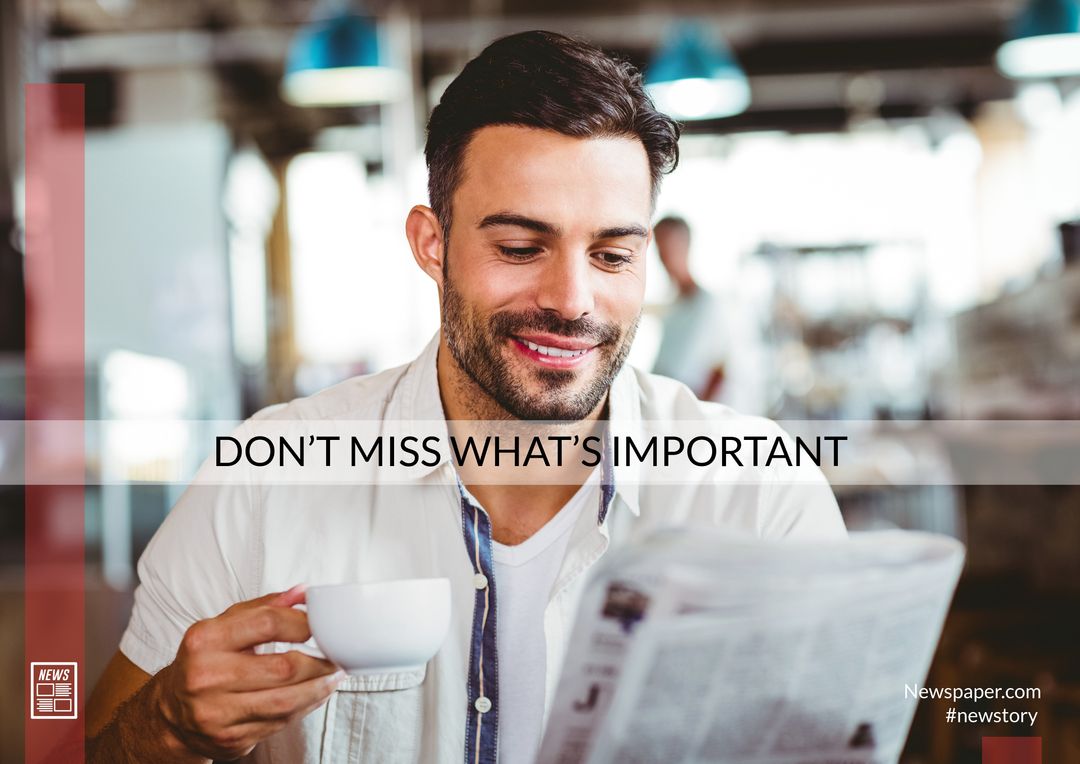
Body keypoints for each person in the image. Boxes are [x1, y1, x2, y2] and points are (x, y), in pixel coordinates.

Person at [86, 31, 845, 764]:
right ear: (432, 244)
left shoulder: (758, 495)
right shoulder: (267, 479)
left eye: (612, 255)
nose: (571, 300)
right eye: (520, 248)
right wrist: (167, 729)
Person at [651, 216, 728, 400]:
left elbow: (720, 369)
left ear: (685, 247)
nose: (665, 258)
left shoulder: (709, 305)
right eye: (660, 249)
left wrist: (695, 417)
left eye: (670, 247)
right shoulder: (673, 305)